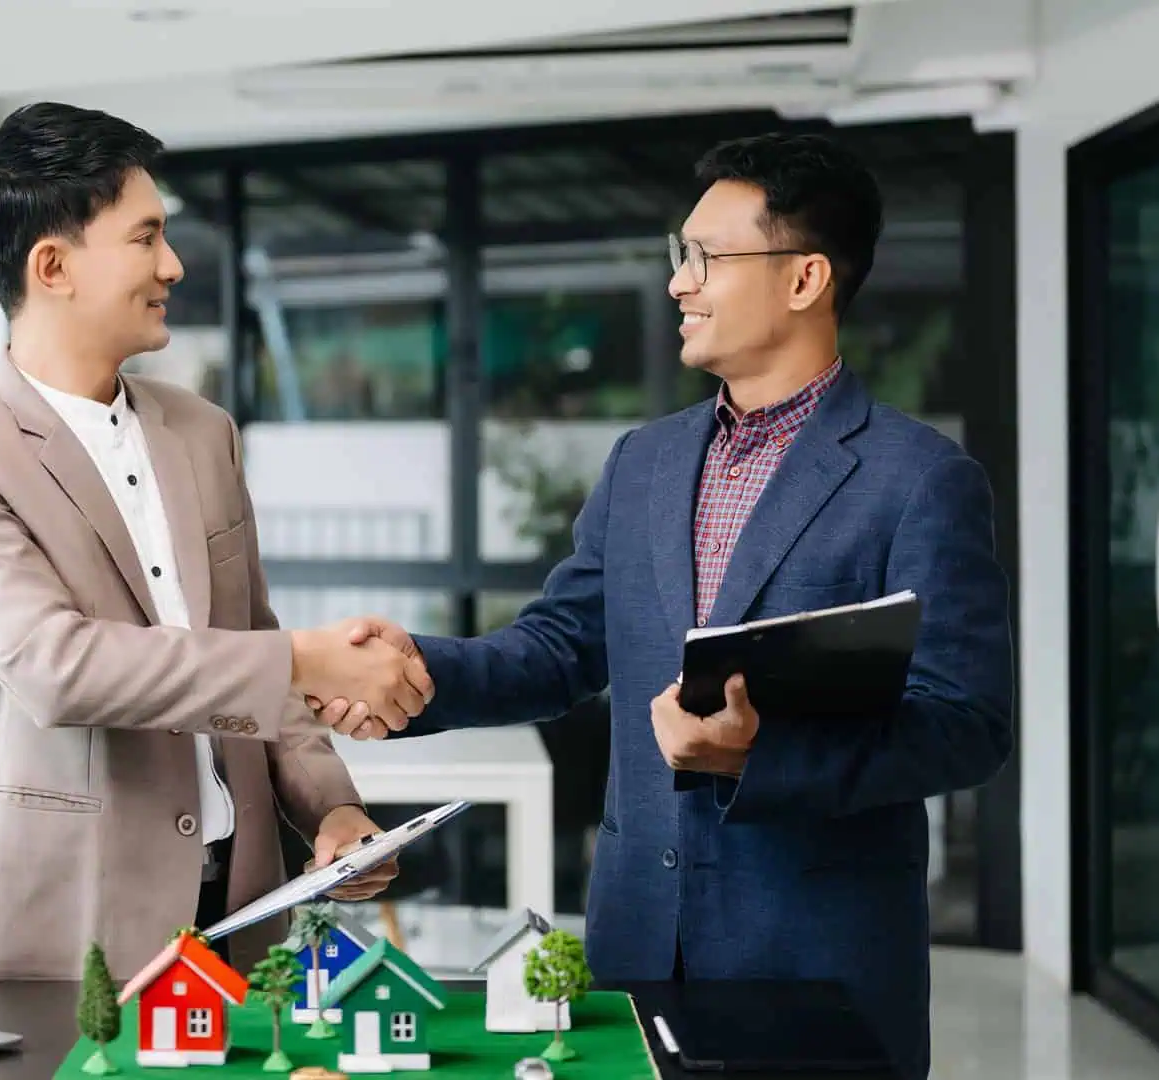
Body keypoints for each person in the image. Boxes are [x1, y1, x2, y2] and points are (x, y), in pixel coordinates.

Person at [310, 132, 1013, 1080]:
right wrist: (410, 673)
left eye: (705, 258)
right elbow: (563, 646)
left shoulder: (921, 479)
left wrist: (760, 757)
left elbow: (965, 724)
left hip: (816, 961)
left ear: (805, 278)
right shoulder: (645, 460)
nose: (679, 283)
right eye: (678, 257)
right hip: (639, 940)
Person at [0, 102, 431, 981]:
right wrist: (304, 660)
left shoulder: (203, 431)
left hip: (241, 911)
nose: (172, 265)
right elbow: (63, 668)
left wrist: (331, 810)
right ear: (52, 266)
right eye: (146, 238)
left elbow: (250, 645)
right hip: (63, 930)